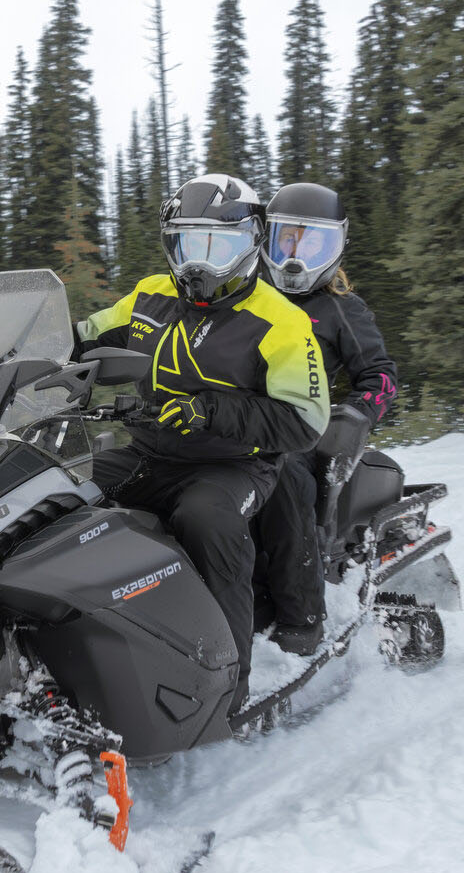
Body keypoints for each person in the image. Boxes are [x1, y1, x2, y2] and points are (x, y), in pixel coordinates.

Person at [75, 174, 332, 708]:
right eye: (190, 244)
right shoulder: (150, 295)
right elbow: (86, 335)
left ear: (251, 244)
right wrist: (23, 359)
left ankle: (227, 681)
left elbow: (305, 420)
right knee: (60, 493)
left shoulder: (280, 322)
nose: (201, 264)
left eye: (221, 246)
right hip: (148, 451)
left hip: (234, 465)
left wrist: (211, 410)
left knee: (206, 520)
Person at [253, 182, 399, 655]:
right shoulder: (245, 295)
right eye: (285, 240)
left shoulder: (339, 308)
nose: (295, 253)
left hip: (301, 430)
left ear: (333, 246)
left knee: (286, 481)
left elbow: (380, 374)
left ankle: (301, 613)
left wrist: (356, 415)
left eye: (309, 241)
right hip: (234, 421)